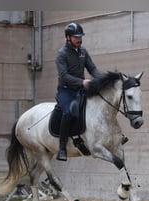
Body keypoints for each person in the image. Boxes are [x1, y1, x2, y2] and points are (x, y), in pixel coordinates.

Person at [55, 22, 128, 161]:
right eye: (76, 37)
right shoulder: (61, 54)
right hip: (66, 90)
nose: (79, 39)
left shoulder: (83, 52)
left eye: (80, 36)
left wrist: (105, 81)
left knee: (103, 105)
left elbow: (92, 69)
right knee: (68, 112)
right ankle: (62, 147)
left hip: (81, 88)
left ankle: (116, 136)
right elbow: (64, 76)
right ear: (68, 37)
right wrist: (81, 82)